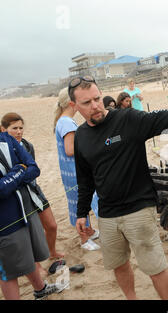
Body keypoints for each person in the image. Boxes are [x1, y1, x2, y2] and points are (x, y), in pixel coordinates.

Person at [68, 75, 168, 300]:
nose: (95, 106)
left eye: (97, 98)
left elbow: (161, 118)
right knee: (119, 265)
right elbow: (84, 179)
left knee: (154, 266)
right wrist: (82, 212)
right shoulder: (81, 136)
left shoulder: (126, 119)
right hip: (108, 214)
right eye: (87, 103)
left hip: (138, 209)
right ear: (74, 106)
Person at [0, 131, 63, 299]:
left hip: (26, 212)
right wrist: (19, 171)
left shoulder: (6, 138)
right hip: (4, 224)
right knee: (8, 272)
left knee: (29, 257)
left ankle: (40, 289)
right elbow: (1, 189)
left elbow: (34, 168)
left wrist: (11, 178)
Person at [1, 113, 64, 265]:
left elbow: (33, 171)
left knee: (51, 225)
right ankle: (35, 266)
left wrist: (17, 174)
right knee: (28, 232)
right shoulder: (3, 149)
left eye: (21, 128)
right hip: (19, 197)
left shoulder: (28, 146)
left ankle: (52, 252)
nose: (19, 131)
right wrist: (20, 172)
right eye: (14, 128)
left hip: (34, 190)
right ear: (3, 129)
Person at [54, 87, 100, 251]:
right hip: (75, 172)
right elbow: (70, 149)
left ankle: (89, 231)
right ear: (73, 102)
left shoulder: (61, 119)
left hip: (69, 172)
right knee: (81, 203)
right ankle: (84, 239)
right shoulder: (67, 122)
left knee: (79, 202)